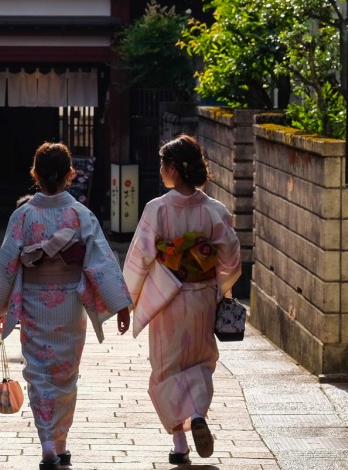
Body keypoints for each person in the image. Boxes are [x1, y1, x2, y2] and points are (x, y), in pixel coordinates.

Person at [0, 142, 133, 470]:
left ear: (35, 174)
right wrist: (119, 305)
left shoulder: (23, 215)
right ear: (70, 175)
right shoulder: (80, 214)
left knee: (39, 374)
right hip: (70, 305)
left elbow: (7, 264)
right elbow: (100, 262)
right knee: (66, 375)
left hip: (34, 302)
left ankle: (49, 443)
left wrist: (2, 306)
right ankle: (59, 443)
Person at [122, 134, 241, 466]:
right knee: (201, 362)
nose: (161, 169)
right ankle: (197, 412)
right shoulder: (215, 211)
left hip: (167, 301)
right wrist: (220, 287)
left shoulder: (157, 209)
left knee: (165, 367)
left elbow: (141, 258)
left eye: (163, 164)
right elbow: (231, 258)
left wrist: (126, 300)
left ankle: (179, 443)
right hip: (202, 297)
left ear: (172, 169)